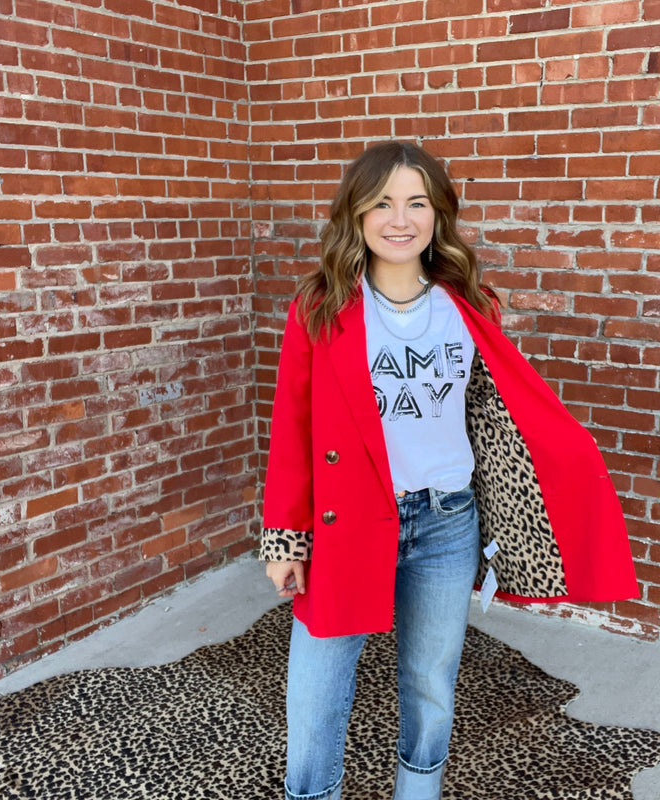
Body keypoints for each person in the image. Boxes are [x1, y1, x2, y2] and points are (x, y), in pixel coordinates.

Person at [261, 141, 638, 800]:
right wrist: (285, 539)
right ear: (356, 213)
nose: (399, 219)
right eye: (381, 203)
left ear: (439, 216)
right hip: (349, 522)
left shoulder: (469, 304)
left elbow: (499, 413)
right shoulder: (320, 307)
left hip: (446, 523)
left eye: (417, 202)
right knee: (319, 684)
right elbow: (292, 431)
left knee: (431, 680)